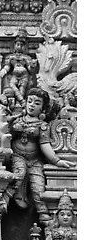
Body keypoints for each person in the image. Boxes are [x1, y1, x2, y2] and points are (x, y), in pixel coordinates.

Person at [9, 88, 75, 223]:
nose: (32, 105)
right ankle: (11, 197)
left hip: (35, 160)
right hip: (18, 156)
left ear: (43, 109)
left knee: (39, 187)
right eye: (30, 101)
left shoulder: (42, 126)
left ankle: (43, 214)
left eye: (37, 103)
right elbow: (6, 138)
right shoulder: (17, 121)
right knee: (19, 174)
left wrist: (57, 161)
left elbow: (45, 145)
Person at [0, 28, 37, 107]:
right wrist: (4, 70)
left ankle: (20, 103)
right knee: (12, 85)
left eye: (21, 45)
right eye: (18, 44)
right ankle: (22, 101)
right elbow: (8, 66)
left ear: (24, 47)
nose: (19, 47)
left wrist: (33, 66)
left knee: (22, 89)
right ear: (14, 45)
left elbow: (29, 69)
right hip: (15, 76)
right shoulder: (11, 57)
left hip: (24, 76)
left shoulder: (26, 57)